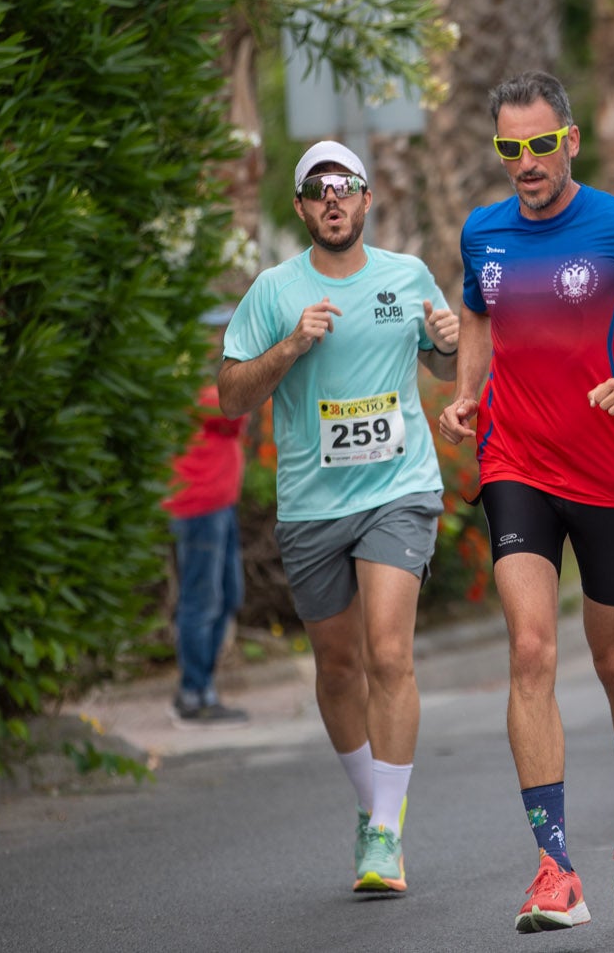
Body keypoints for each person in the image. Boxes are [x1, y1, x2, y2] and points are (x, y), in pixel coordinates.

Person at [437, 72, 614, 933]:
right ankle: (554, 865)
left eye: (538, 145)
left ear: (567, 138)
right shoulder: (482, 231)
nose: (525, 163)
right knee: (530, 647)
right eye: (508, 148)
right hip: (516, 459)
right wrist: (466, 393)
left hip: (609, 473)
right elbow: (479, 314)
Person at [217, 140, 460, 894]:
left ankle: (386, 832)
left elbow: (447, 364)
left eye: (345, 186)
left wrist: (450, 349)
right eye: (317, 189)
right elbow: (230, 395)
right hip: (313, 503)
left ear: (364, 199)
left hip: (400, 488)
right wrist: (291, 345)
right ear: (300, 206)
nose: (332, 199)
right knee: (339, 667)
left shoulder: (406, 275)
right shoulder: (273, 289)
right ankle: (371, 804)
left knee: (389, 654)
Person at [165, 306, 251, 727]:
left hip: (220, 502)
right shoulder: (186, 384)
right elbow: (234, 408)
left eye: (222, 329)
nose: (219, 338)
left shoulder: (205, 380)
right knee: (202, 600)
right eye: (212, 329)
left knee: (227, 596)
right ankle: (192, 694)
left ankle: (204, 689)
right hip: (197, 504)